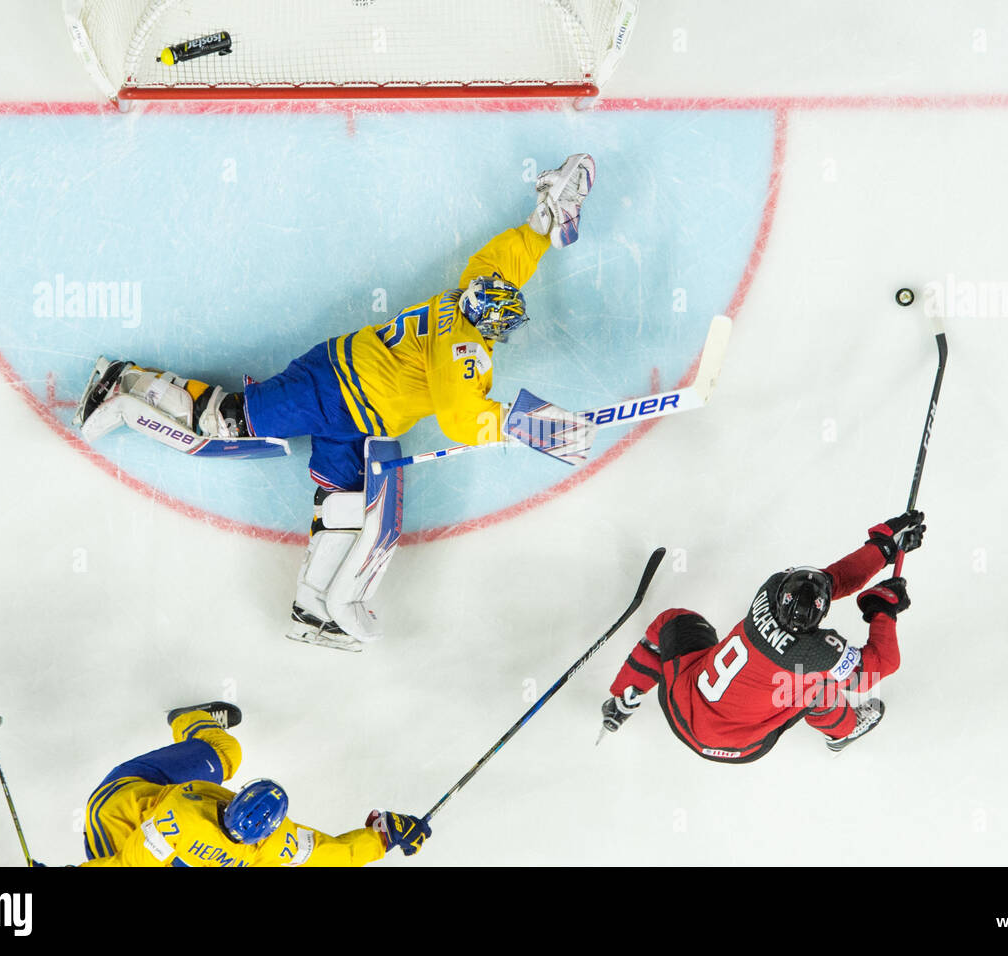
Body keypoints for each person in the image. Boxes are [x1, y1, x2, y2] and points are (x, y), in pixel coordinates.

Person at [72, 155, 599, 652]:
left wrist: (541, 228)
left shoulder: (470, 290)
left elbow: (504, 261)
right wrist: (530, 425)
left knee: (343, 508)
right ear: (490, 325)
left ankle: (311, 613)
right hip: (333, 390)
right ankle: (123, 381)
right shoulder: (463, 349)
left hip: (358, 415)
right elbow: (463, 419)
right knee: (225, 420)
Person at [599, 511, 926, 761]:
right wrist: (883, 610)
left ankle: (622, 699)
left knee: (673, 622)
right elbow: (879, 666)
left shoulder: (771, 590)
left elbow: (830, 579)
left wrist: (883, 547)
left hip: (681, 706)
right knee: (817, 686)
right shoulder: (817, 654)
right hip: (740, 744)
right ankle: (842, 732)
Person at [81, 701, 429, 867]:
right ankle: (190, 721)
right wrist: (382, 838)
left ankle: (199, 734)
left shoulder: (180, 823)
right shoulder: (276, 843)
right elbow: (332, 855)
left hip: (117, 824)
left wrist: (382, 836)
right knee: (225, 751)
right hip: (127, 803)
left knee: (226, 752)